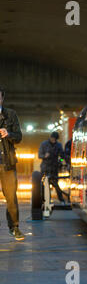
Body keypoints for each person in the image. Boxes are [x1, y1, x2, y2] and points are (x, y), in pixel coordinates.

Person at [0, 87, 24, 241]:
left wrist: (9, 134)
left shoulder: (10, 114)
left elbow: (19, 137)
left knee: (11, 197)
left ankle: (14, 227)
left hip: (7, 163)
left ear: (2, 99)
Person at [38, 132, 68, 203]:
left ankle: (61, 200)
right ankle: (46, 200)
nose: (54, 140)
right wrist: (45, 156)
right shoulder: (44, 144)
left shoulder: (58, 145)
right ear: (51, 137)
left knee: (56, 184)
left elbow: (62, 156)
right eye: (53, 139)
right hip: (45, 167)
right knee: (45, 184)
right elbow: (39, 155)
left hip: (54, 167)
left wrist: (60, 160)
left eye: (55, 139)